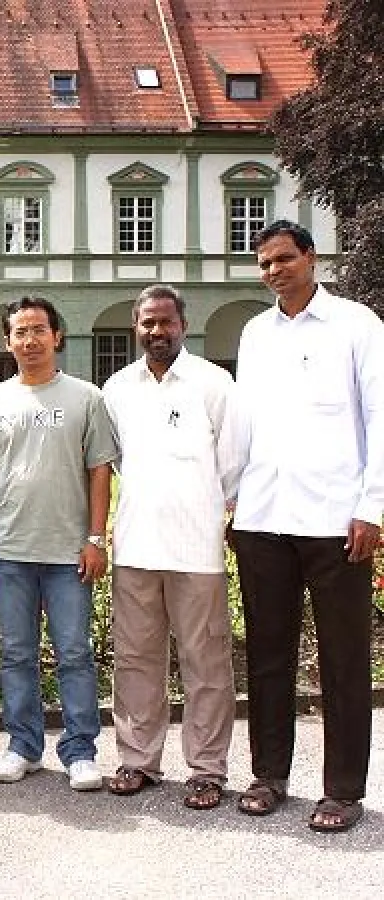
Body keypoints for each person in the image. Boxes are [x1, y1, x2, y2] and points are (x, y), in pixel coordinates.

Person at [230, 220, 383, 833]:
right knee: (268, 655)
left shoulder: (357, 326)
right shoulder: (254, 332)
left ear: (311, 259)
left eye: (285, 259)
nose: (274, 270)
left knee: (344, 659)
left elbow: (380, 418)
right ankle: (269, 774)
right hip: (264, 515)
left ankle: (343, 790)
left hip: (335, 520)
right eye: (265, 263)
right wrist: (234, 499)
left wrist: (372, 507)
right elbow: (245, 423)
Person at [0, 296, 116, 791]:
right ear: (8, 342)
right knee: (16, 653)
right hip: (11, 549)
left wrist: (95, 537)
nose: (29, 341)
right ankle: (22, 745)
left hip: (68, 552)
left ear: (56, 336)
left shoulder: (86, 398)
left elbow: (99, 472)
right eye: (20, 333)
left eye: (38, 330)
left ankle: (80, 750)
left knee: (74, 652)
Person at [102, 285, 243, 809]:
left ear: (182, 324)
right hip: (137, 547)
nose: (156, 331)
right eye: (147, 323)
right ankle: (138, 761)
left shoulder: (213, 384)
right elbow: (117, 462)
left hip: (197, 549)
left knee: (205, 661)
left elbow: (233, 464)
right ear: (135, 327)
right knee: (135, 659)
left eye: (165, 322)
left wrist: (209, 511)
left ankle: (207, 769)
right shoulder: (117, 388)